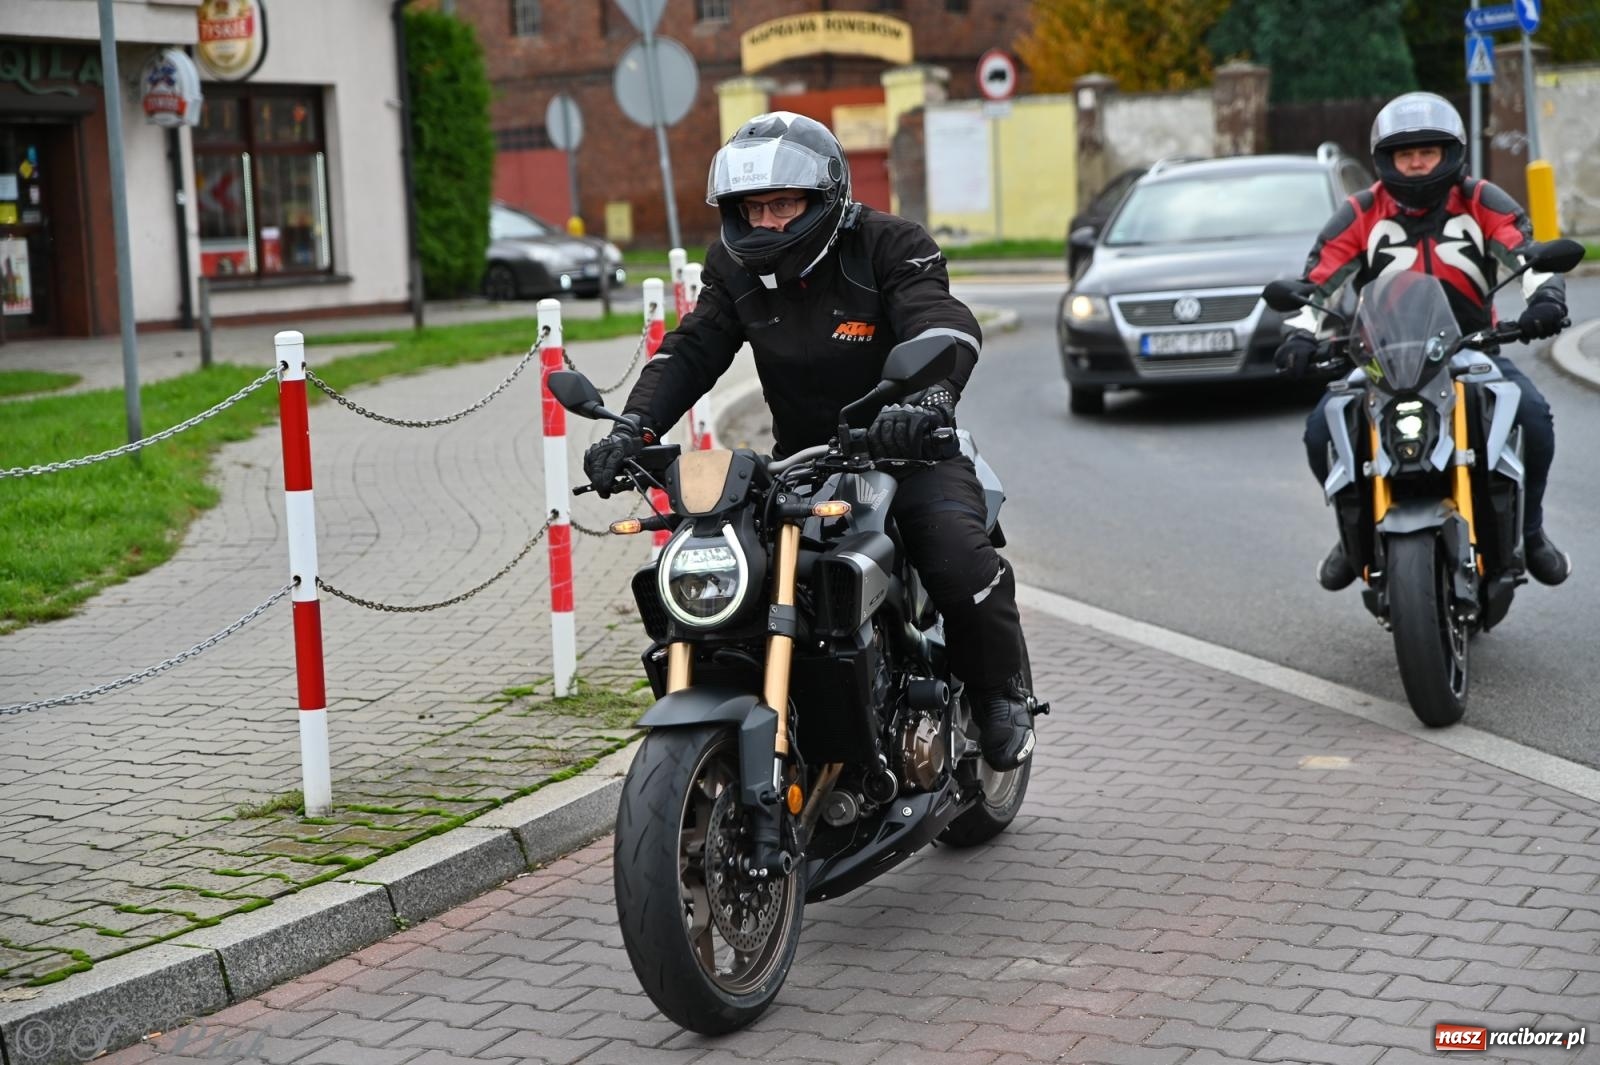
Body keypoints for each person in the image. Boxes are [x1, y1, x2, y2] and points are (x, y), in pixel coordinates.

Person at [583, 111, 1037, 770]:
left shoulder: (890, 244)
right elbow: (693, 348)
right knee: (739, 573)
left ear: (825, 198)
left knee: (953, 555)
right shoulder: (733, 267)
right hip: (802, 465)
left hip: (907, 452)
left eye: (783, 205)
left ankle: (998, 693)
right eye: (752, 208)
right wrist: (632, 429)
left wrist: (928, 400)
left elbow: (939, 320)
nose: (766, 222)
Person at [1275, 91, 1570, 589]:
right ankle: (1353, 536)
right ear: (1385, 160)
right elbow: (1314, 282)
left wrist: (1545, 301)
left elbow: (1528, 254)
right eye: (1404, 154)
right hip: (1381, 358)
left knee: (1534, 417)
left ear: (1448, 154)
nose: (1415, 163)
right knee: (1321, 431)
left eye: (1426, 152)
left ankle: (1531, 532)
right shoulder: (1360, 211)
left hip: (1470, 348)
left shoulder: (1481, 200)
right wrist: (1299, 333)